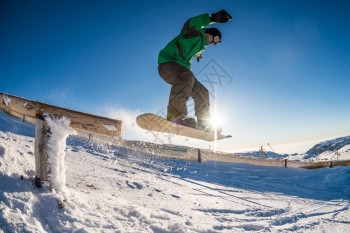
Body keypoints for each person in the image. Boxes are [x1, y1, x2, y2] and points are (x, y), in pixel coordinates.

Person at [158, 10, 232, 131]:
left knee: (202, 92)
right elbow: (192, 22)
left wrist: (198, 55)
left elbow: (194, 50)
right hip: (166, 64)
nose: (213, 43)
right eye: (216, 38)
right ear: (209, 32)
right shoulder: (194, 32)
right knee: (187, 75)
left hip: (180, 73)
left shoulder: (201, 48)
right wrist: (213, 18)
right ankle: (175, 117)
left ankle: (204, 123)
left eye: (217, 43)